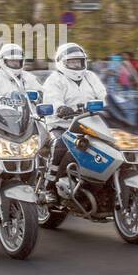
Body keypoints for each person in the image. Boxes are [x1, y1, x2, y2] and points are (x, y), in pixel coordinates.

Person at [40, 42, 108, 185]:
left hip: (91, 124)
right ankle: (49, 185)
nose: (76, 65)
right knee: (61, 144)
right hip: (62, 126)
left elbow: (103, 95)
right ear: (61, 62)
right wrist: (61, 108)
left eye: (79, 62)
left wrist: (112, 104)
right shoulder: (54, 79)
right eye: (72, 62)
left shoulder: (90, 77)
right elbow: (53, 98)